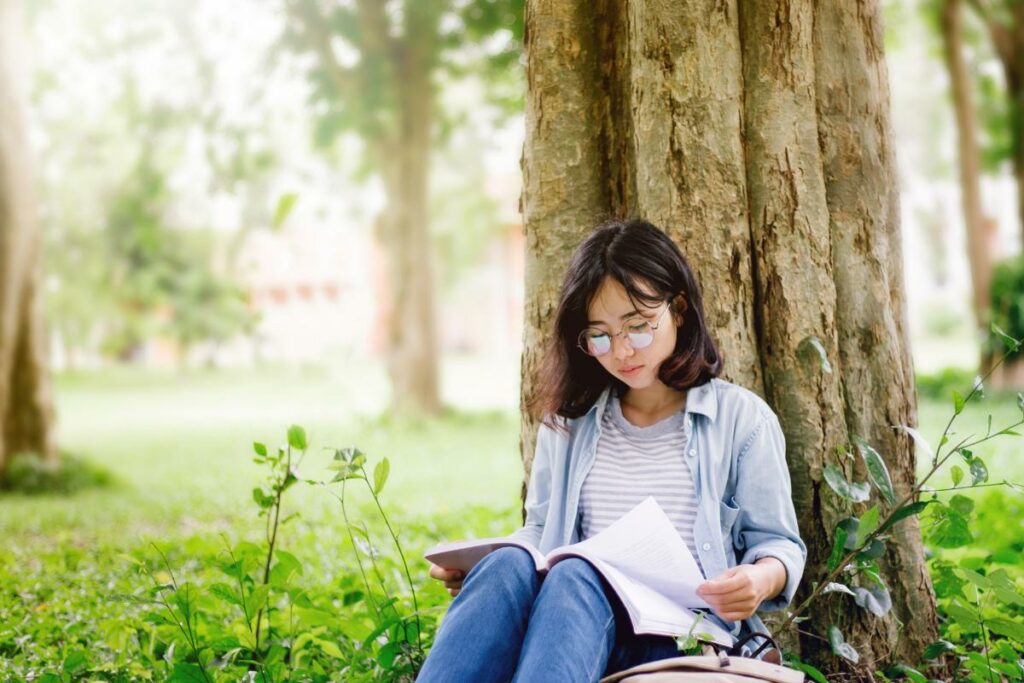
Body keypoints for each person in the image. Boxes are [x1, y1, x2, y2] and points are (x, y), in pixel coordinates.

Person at [418, 219, 807, 682]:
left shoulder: (742, 419)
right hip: (576, 625)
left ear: (678, 309)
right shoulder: (569, 424)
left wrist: (759, 579)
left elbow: (779, 543)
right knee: (508, 566)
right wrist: (479, 568)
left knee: (576, 575)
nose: (621, 350)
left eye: (637, 327)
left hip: (683, 632)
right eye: (599, 335)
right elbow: (542, 533)